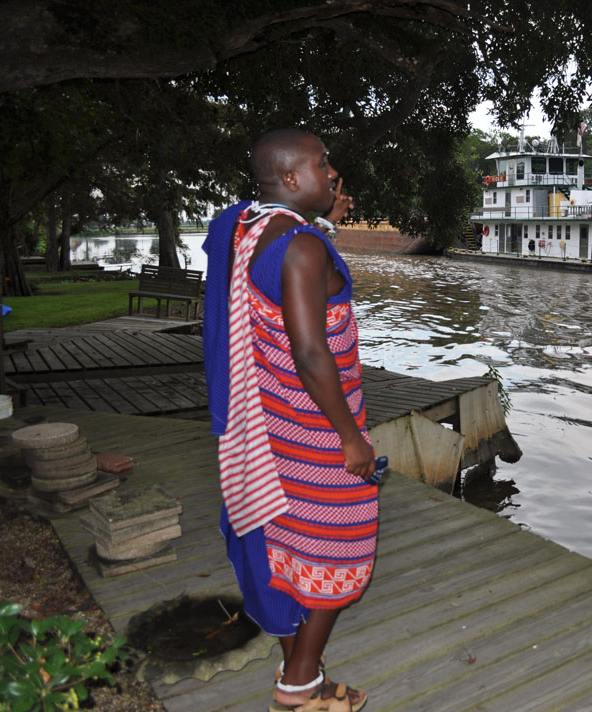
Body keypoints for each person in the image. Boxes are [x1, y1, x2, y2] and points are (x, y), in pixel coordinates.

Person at [203, 128, 376, 712]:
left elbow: (280, 266)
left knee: (283, 544)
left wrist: (323, 216)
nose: (334, 172)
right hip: (316, 429)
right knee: (342, 543)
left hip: (265, 423)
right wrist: (351, 438)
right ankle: (299, 685)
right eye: (324, 164)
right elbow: (309, 352)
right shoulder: (300, 246)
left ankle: (300, 668)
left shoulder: (245, 226)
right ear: (295, 178)